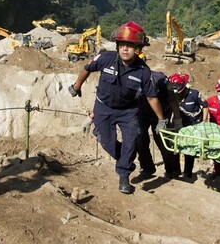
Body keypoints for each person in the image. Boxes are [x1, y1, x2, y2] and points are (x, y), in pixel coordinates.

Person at [69, 21, 166, 194]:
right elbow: (86, 69)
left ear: (138, 48)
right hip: (103, 107)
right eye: (122, 45)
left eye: (130, 45)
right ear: (117, 46)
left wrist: (161, 119)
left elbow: (152, 97)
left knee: (132, 141)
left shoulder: (143, 71)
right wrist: (76, 87)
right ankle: (125, 159)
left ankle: (124, 176)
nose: (125, 49)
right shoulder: (105, 58)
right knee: (108, 143)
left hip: (128, 111)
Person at [136, 71, 181, 180]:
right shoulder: (131, 77)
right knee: (140, 140)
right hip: (142, 112)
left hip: (161, 114)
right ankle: (147, 169)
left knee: (164, 142)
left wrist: (177, 118)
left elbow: (173, 99)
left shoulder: (161, 80)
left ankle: (172, 170)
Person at [170, 73, 208, 180]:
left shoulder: (194, 94)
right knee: (175, 148)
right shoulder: (171, 95)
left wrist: (204, 121)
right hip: (178, 124)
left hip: (193, 125)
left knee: (189, 150)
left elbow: (205, 106)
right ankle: (176, 170)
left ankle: (188, 172)